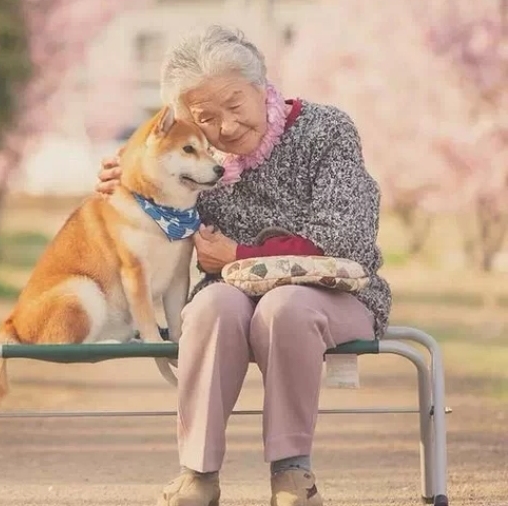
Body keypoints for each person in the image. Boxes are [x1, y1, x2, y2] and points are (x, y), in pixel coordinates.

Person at [95, 25, 390, 506]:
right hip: (230, 297)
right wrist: (129, 180)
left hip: (333, 295)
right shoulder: (199, 159)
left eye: (235, 105)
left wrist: (241, 257)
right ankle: (197, 473)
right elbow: (152, 217)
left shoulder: (327, 130)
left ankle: (292, 472)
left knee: (285, 306)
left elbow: (346, 238)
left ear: (260, 85)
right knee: (211, 308)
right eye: (207, 118)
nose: (227, 127)